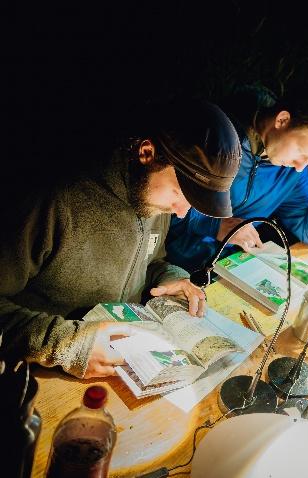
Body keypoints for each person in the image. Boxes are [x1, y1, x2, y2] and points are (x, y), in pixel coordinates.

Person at [0, 101, 242, 379]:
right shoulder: (55, 199)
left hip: (120, 360)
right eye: (179, 193)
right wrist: (66, 345)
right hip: (41, 371)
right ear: (147, 153)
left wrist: (171, 277)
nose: (180, 212)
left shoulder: (154, 202)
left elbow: (152, 262)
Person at [166, 82, 308, 273]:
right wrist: (217, 225)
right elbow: (161, 202)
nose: (301, 166)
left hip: (224, 269)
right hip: (167, 262)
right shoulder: (215, 137)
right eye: (302, 152)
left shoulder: (291, 173)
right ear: (282, 120)